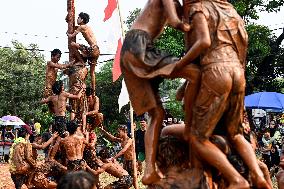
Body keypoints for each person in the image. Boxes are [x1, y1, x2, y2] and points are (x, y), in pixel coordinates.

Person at [178, 0, 269, 188]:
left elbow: (203, 43)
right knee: (235, 134)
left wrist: (178, 67)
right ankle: (258, 174)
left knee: (197, 137)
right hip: (238, 72)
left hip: (215, 71)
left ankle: (236, 179)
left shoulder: (199, 7)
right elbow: (243, 47)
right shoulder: (231, 10)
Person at [120, 0, 201, 184]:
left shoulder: (178, 4)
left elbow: (183, 14)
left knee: (156, 114)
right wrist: (200, 30)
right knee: (195, 73)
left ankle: (149, 170)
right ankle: (189, 126)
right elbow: (175, 21)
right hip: (138, 46)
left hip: (129, 51)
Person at [67, 12, 99, 92]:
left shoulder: (81, 27)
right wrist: (68, 19)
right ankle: (94, 91)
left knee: (72, 44)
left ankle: (82, 62)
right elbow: (73, 26)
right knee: (92, 73)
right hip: (96, 50)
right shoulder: (86, 27)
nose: (77, 19)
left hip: (91, 50)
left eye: (78, 18)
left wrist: (68, 33)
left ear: (82, 19)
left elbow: (71, 35)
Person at [9, 125, 36, 189]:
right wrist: (34, 164)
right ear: (26, 134)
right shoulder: (25, 143)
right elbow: (28, 157)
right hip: (20, 169)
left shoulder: (16, 142)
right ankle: (29, 183)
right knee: (34, 167)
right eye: (29, 135)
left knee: (18, 186)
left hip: (12, 168)